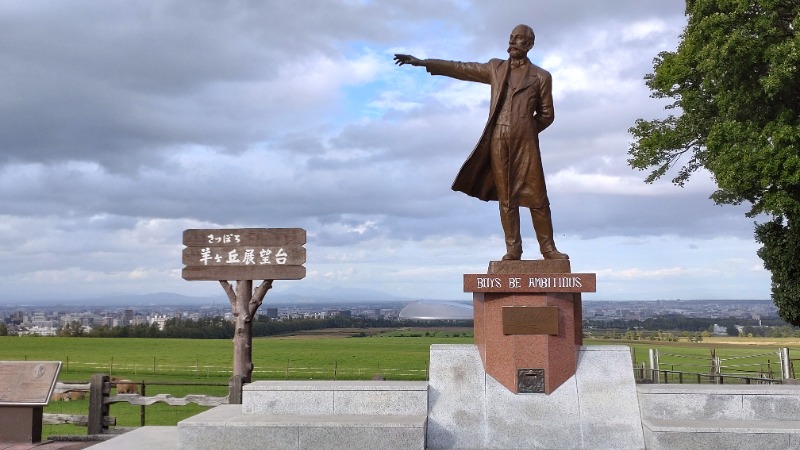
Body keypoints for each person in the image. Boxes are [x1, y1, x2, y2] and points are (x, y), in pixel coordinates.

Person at [394, 24, 568, 260]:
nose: (513, 42)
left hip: (525, 143)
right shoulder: (496, 68)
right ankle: (513, 249)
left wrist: (526, 128)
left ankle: (548, 249)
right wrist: (424, 62)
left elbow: (547, 114)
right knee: (506, 197)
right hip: (498, 139)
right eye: (511, 37)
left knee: (538, 197)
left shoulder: (541, 76)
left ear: (529, 44)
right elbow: (461, 68)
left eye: (518, 39)